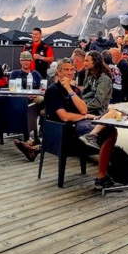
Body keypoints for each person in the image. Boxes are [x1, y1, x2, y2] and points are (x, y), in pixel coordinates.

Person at [45, 59, 118, 191]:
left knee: (113, 113)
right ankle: (101, 177)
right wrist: (83, 116)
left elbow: (83, 109)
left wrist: (70, 90)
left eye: (71, 70)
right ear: (59, 72)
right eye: (65, 70)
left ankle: (93, 136)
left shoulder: (75, 91)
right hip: (66, 132)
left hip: (81, 124)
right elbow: (65, 117)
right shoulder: (53, 91)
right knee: (110, 131)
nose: (69, 73)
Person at [82, 50, 113, 117]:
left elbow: (98, 102)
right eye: (84, 60)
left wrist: (81, 108)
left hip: (96, 113)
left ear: (95, 62)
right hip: (86, 108)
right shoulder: (90, 76)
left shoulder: (104, 79)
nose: (84, 63)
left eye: (87, 61)